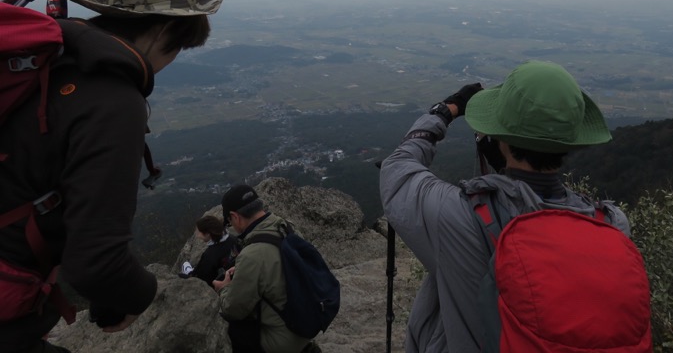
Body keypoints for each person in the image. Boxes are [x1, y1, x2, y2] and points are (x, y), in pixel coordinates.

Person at [0, 0, 224, 353]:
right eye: (178, 48)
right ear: (167, 31)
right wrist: (135, 296)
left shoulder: (48, 60)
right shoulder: (114, 102)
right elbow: (97, 264)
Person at [379, 60, 632, 353]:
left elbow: (397, 170)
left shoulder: (457, 218)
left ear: (501, 138)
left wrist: (444, 112)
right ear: (572, 140)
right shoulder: (612, 225)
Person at [212, 185, 318, 353]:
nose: (231, 226)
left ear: (234, 216)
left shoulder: (252, 255)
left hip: (283, 341)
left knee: (226, 329)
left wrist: (223, 289)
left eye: (229, 222)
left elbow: (234, 309)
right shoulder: (285, 226)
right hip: (306, 324)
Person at [179, 215, 236, 286]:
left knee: (182, 270)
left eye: (199, 232)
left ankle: (189, 272)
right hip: (231, 274)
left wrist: (191, 276)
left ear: (208, 234)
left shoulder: (210, 255)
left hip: (213, 284)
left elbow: (200, 278)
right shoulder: (232, 239)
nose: (197, 235)